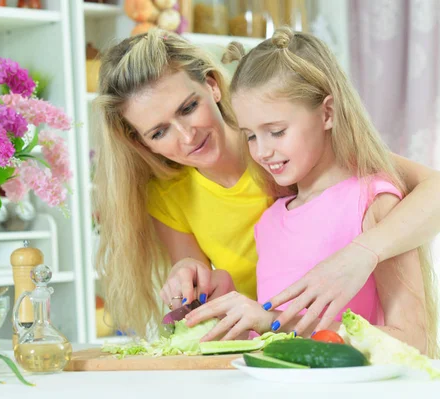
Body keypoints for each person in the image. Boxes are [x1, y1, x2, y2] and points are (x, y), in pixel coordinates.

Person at [92, 28, 440, 338]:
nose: (186, 136)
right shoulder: (178, 198)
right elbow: (241, 302)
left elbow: (424, 189)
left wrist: (361, 253)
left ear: (212, 85)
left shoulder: (317, 160)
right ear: (141, 143)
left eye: (188, 107)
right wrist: (198, 281)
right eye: (159, 131)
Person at [185, 27, 437, 355]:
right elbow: (274, 345)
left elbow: (412, 339)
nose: (261, 152)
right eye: (250, 136)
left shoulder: (373, 202)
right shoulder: (270, 220)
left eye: (276, 131)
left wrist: (274, 320)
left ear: (327, 113)